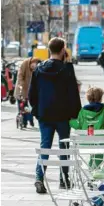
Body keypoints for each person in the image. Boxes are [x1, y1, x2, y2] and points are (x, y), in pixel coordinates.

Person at [29, 37, 81, 194]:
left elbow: (32, 94)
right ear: (63, 50)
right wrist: (75, 113)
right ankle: (64, 180)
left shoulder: (39, 69)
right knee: (64, 146)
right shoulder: (66, 69)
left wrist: (37, 111)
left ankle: (39, 178)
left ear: (49, 50)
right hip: (63, 115)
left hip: (45, 115)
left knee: (45, 145)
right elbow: (73, 93)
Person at [70, 86, 104, 168]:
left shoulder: (82, 112)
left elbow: (78, 125)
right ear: (101, 98)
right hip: (102, 142)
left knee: (93, 145)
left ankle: (92, 169)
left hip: (85, 142)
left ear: (88, 99)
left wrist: (69, 121)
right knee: (98, 149)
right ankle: (94, 170)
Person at [14, 57, 41, 127]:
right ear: (32, 62)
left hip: (30, 90)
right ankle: (24, 122)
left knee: (29, 107)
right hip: (21, 88)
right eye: (33, 66)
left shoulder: (38, 68)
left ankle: (30, 120)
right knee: (22, 107)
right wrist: (21, 84)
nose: (33, 68)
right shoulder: (24, 63)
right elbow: (20, 75)